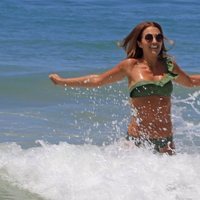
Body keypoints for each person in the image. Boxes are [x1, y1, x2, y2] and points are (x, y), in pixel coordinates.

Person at [49, 21, 200, 155]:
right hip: (137, 141)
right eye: (149, 37)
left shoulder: (169, 65)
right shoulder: (130, 66)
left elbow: (190, 81)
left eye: (158, 37)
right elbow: (97, 80)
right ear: (140, 43)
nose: (155, 41)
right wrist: (62, 81)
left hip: (166, 141)